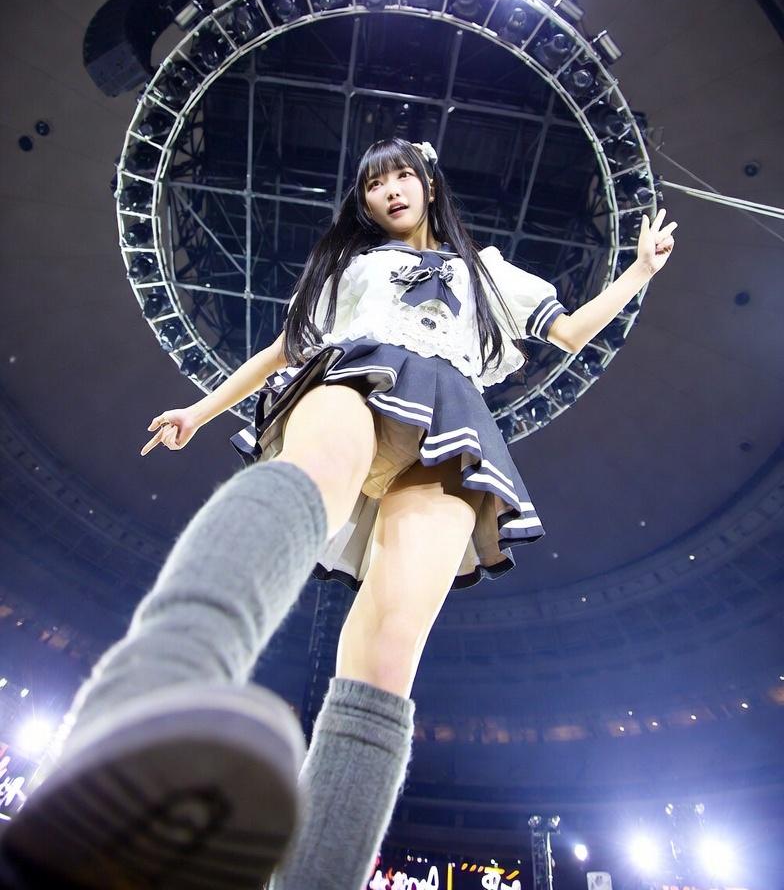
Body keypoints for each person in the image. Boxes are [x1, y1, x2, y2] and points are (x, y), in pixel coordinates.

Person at [0, 138, 677, 890]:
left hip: (453, 416)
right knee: (310, 479)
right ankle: (134, 713)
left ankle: (319, 876)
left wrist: (640, 272)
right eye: (375, 184)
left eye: (402, 176)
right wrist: (200, 409)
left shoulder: (485, 268)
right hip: (358, 374)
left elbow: (570, 333)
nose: (391, 191)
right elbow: (284, 347)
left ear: (428, 185)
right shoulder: (351, 265)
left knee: (389, 658)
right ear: (365, 202)